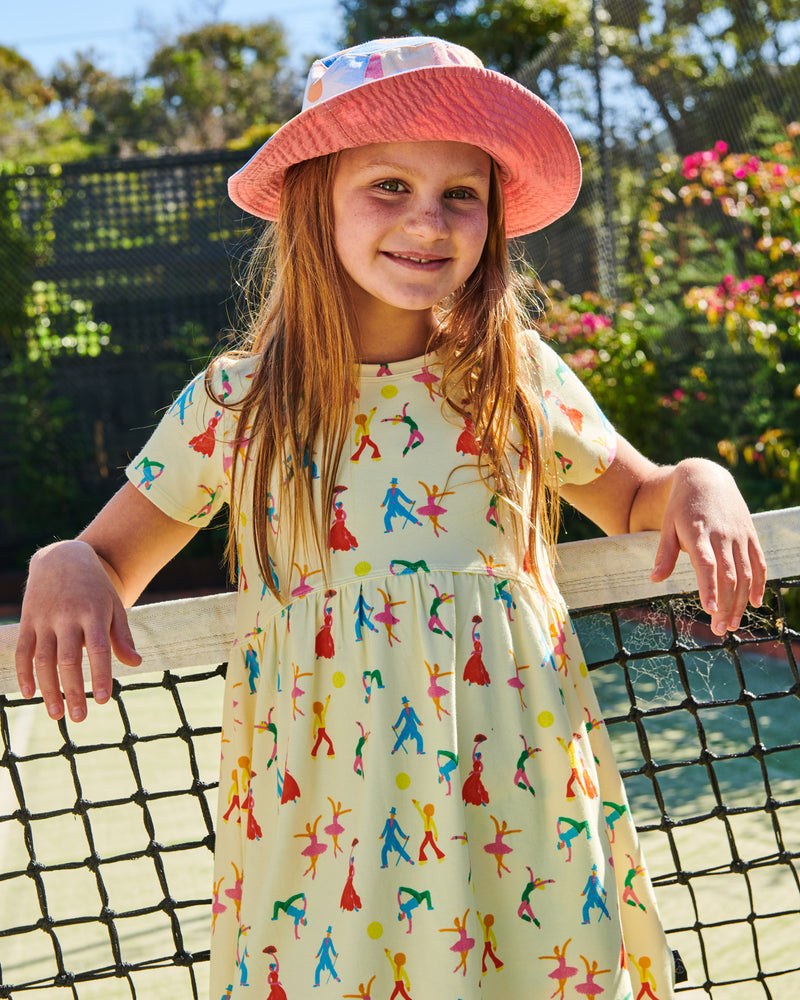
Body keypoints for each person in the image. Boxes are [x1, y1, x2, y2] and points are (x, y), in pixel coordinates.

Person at [14, 35, 766, 1000]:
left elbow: (633, 496)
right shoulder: (237, 407)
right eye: (388, 186)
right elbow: (107, 556)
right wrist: (64, 559)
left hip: (525, 817)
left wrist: (700, 478)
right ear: (312, 201)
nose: (429, 219)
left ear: (491, 221)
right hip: (329, 847)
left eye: (462, 193)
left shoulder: (514, 374)